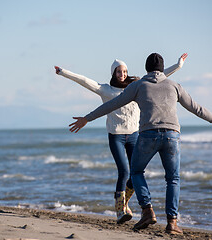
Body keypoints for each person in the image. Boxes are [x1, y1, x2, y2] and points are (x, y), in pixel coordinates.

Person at [68, 53, 212, 234]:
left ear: (146, 68)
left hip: (148, 136)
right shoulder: (174, 85)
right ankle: (172, 223)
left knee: (136, 172)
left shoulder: (138, 85)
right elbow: (195, 107)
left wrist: (87, 119)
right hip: (172, 136)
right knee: (173, 179)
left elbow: (112, 104)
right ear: (162, 69)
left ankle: (147, 210)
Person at [55, 53, 188, 224]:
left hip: (134, 135)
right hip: (116, 136)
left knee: (135, 173)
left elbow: (159, 75)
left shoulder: (136, 85)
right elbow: (85, 81)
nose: (123, 74)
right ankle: (120, 211)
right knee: (124, 171)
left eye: (125, 71)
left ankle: (123, 203)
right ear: (113, 73)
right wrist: (63, 72)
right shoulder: (106, 90)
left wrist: (178, 65)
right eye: (119, 72)